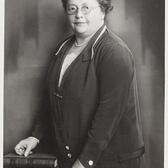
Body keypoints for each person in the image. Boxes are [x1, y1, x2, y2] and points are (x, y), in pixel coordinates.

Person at [14, 0, 145, 167]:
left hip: (112, 160)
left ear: (103, 11)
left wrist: (84, 162)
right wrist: (35, 136)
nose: (79, 15)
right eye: (72, 8)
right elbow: (53, 99)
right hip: (76, 156)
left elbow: (107, 117)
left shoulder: (115, 53)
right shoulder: (63, 48)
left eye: (86, 8)